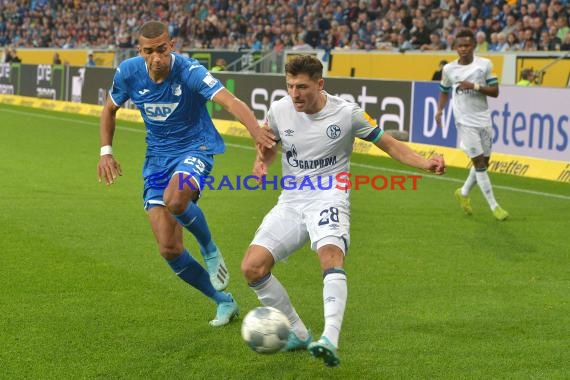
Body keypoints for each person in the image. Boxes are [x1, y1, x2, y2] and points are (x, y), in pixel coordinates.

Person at [241, 55, 445, 367]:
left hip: (329, 196)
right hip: (292, 200)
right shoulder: (280, 109)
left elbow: (391, 145)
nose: (295, 94)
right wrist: (262, 162)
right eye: (290, 86)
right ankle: (298, 332)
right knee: (252, 268)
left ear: (320, 84)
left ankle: (329, 340)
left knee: (330, 256)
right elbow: (269, 145)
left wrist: (425, 162)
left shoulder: (347, 113)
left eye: (303, 87)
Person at [97, 21, 275, 327]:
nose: (157, 57)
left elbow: (230, 101)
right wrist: (106, 152)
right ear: (141, 51)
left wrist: (255, 131)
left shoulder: (190, 71)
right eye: (149, 51)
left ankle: (209, 247)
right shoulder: (128, 72)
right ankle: (223, 301)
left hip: (197, 147)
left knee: (176, 199)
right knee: (168, 247)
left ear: (172, 46)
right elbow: (109, 109)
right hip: (157, 158)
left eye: (162, 49)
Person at [435, 29, 509, 221]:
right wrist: (440, 110)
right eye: (460, 46)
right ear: (455, 48)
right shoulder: (449, 69)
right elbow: (443, 90)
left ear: (473, 46)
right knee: (479, 163)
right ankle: (495, 206)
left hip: (483, 118)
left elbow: (495, 92)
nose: (464, 49)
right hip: (464, 120)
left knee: (485, 162)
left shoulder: (484, 65)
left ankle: (464, 191)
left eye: (467, 45)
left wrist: (474, 86)